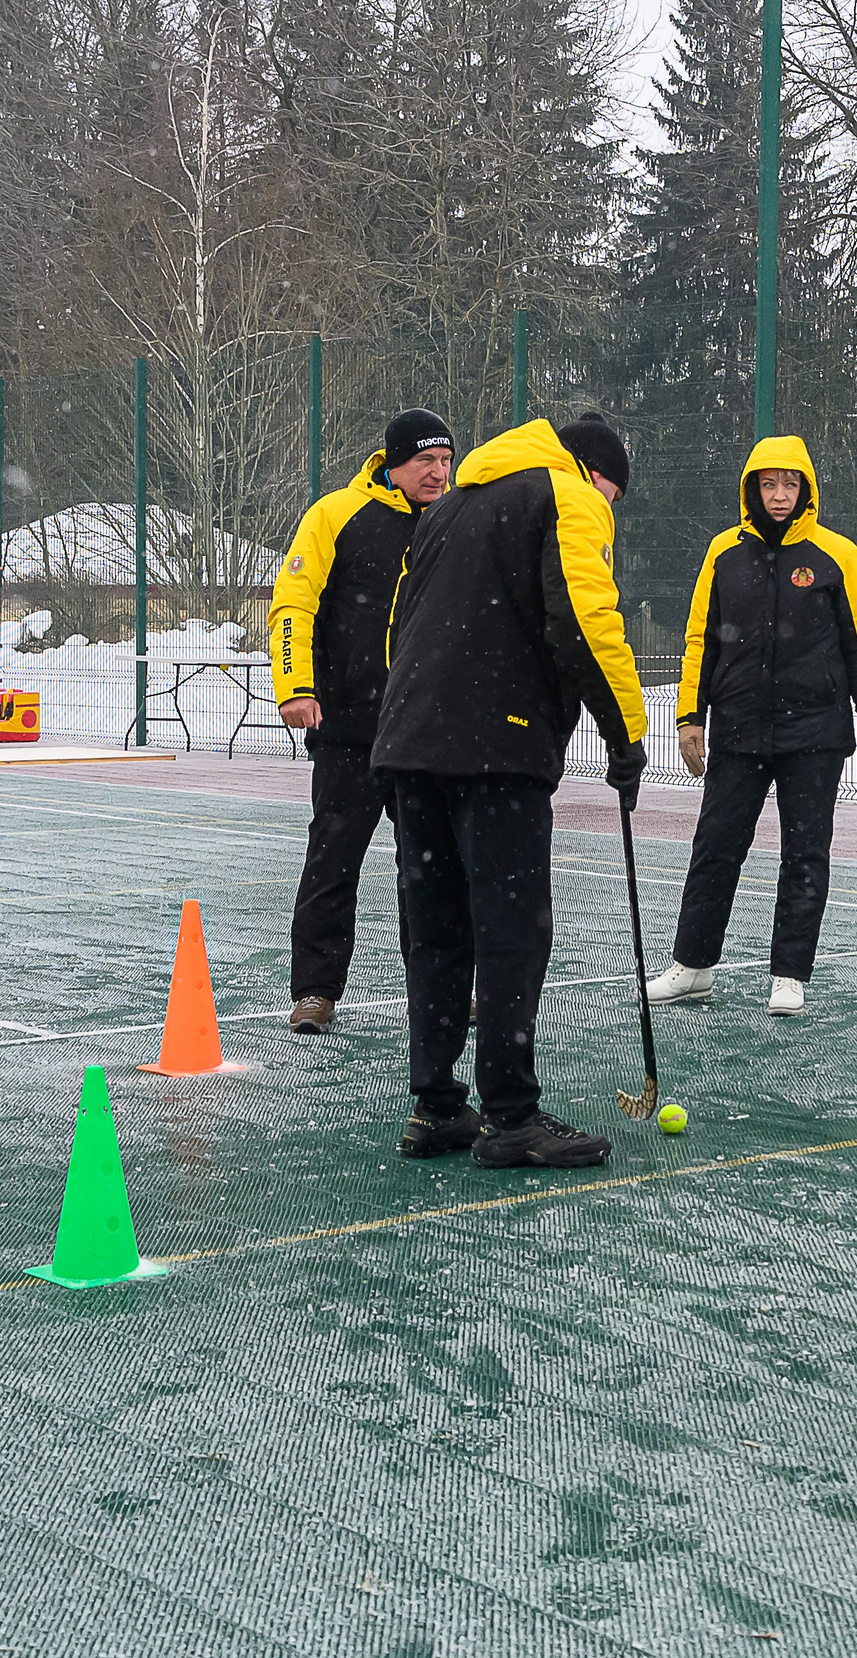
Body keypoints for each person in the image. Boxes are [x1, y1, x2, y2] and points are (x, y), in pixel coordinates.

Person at [371, 411, 649, 1168]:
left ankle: (435, 1107)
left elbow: (404, 625)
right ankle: (510, 1116)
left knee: (435, 930)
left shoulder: (451, 506)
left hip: (412, 743)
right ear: (595, 473)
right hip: (496, 745)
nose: (609, 513)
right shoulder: (563, 493)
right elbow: (587, 621)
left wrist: (402, 731)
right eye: (614, 497)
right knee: (510, 931)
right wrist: (625, 733)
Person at [646, 435, 857, 1016]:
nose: (780, 494)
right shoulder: (722, 554)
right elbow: (699, 642)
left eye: (790, 484)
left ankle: (790, 975)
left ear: (807, 489)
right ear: (752, 489)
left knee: (805, 854)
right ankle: (692, 967)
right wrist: (690, 717)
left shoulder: (838, 555)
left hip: (814, 736)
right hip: (737, 731)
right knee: (715, 848)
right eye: (769, 484)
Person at [268, 408, 455, 1034]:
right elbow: (294, 602)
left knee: (431, 868)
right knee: (333, 860)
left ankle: (441, 988)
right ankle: (315, 993)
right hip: (351, 730)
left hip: (426, 733)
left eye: (445, 460)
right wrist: (296, 686)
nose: (438, 472)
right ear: (393, 463)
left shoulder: (454, 523)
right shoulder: (335, 514)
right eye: (425, 461)